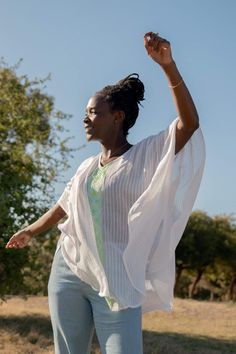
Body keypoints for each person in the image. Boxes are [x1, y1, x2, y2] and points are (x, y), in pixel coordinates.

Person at [6, 32, 205, 354]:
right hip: (68, 271)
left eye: (94, 112)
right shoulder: (86, 167)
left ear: (118, 116)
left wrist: (169, 67)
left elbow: (189, 124)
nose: (86, 118)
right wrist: (30, 230)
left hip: (116, 279)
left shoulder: (145, 155)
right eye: (86, 112)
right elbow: (63, 206)